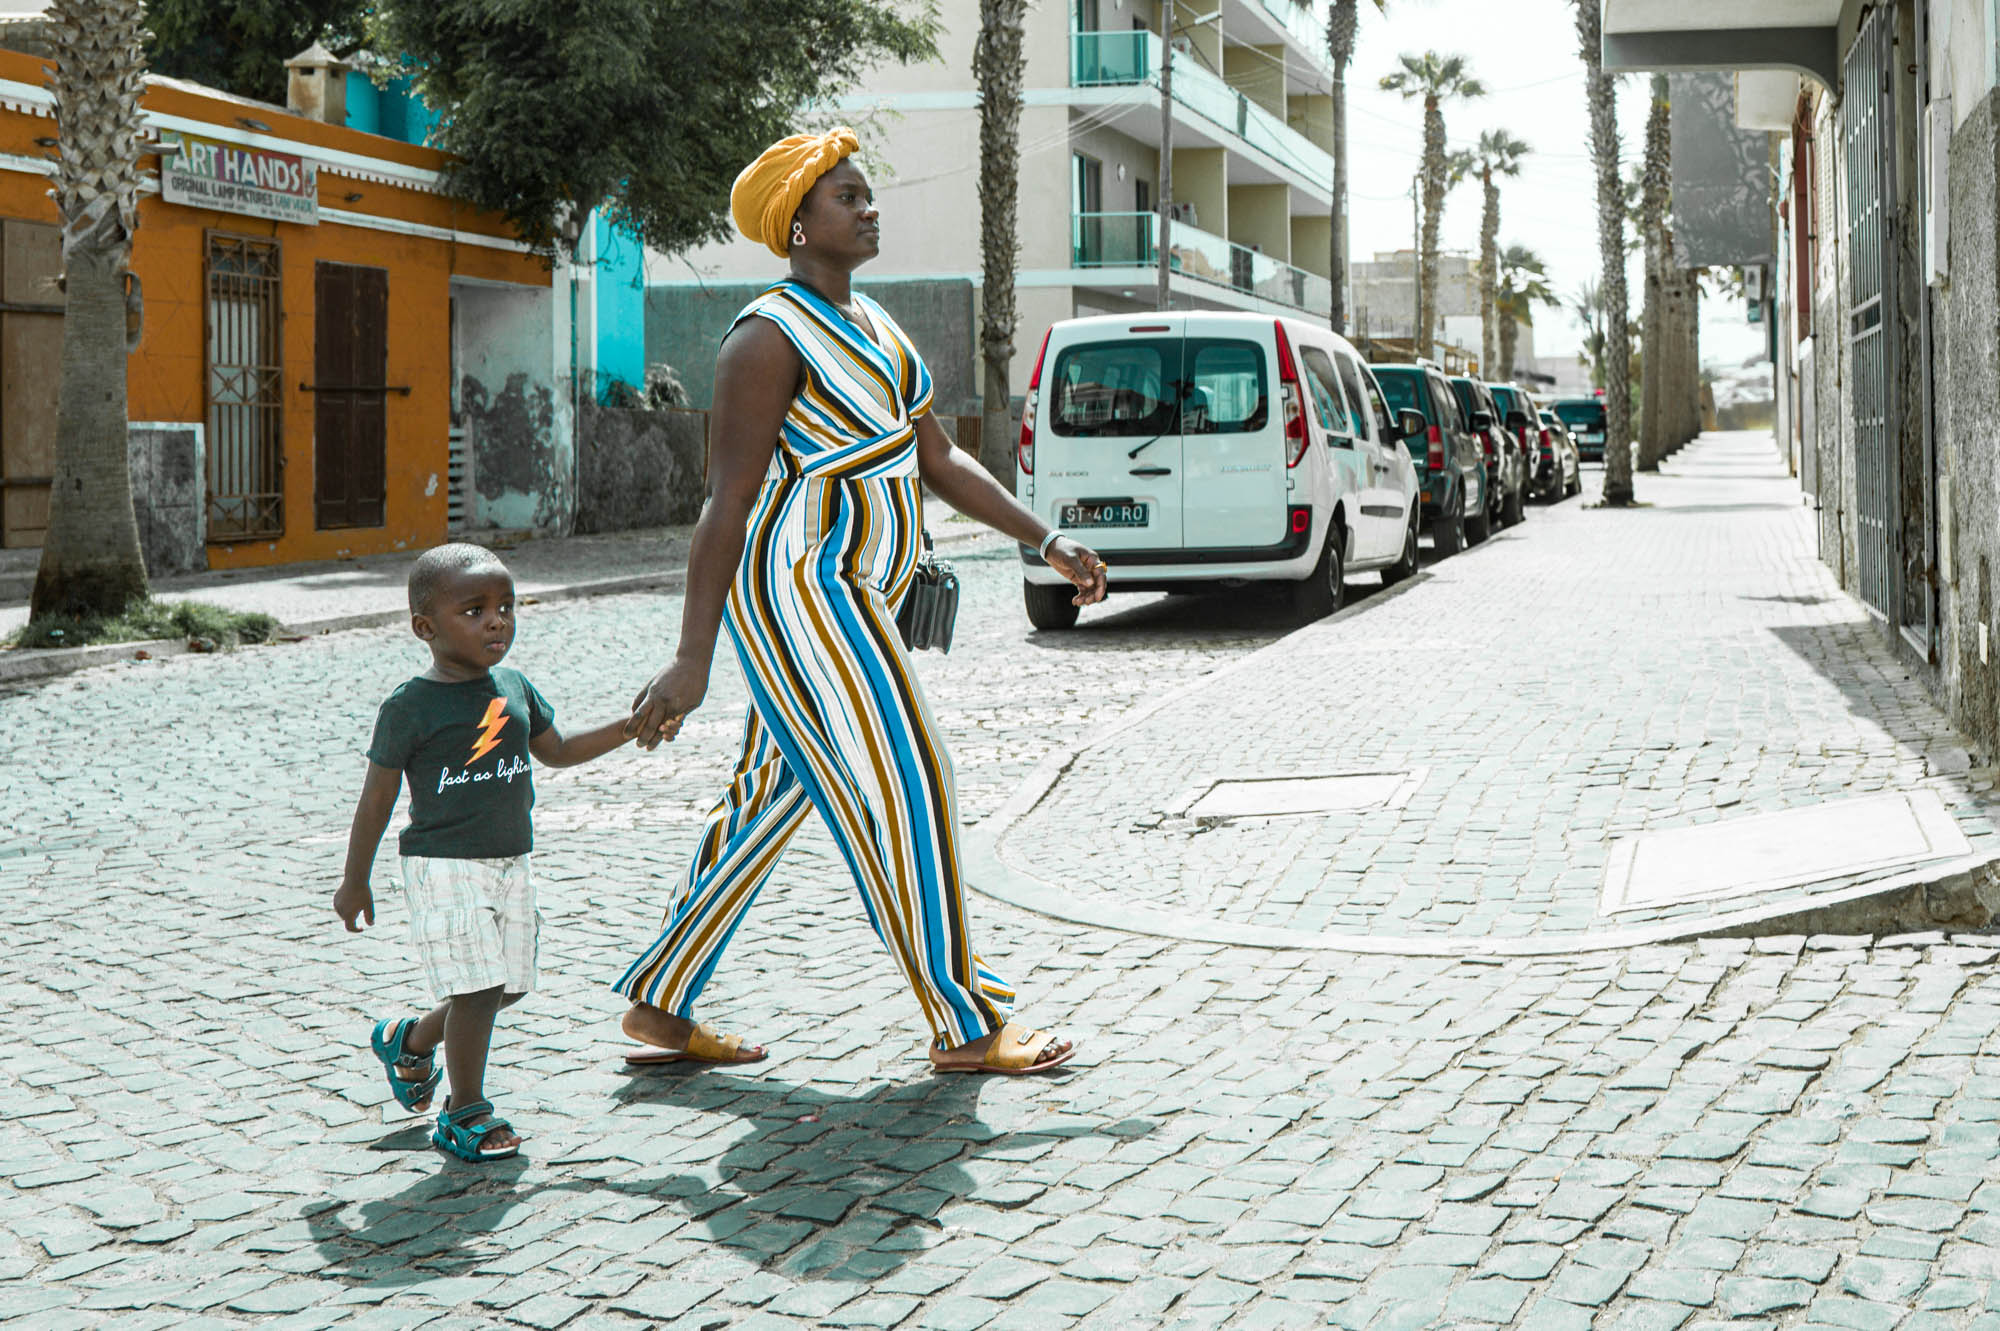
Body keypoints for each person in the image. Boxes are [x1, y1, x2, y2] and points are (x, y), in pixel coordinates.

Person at [615, 127, 1109, 1076]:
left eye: (869, 194)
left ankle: (662, 1000)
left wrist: (1042, 536)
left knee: (768, 796)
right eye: (848, 197)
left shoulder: (878, 327)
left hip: (859, 595)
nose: (870, 207)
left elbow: (938, 456)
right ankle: (966, 1022)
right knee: (909, 775)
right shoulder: (765, 337)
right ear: (798, 224)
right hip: (805, 592)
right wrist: (693, 654)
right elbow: (726, 503)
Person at [334, 543, 645, 1161]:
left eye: (506, 606)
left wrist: (630, 726)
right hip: (443, 866)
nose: (497, 621)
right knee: (477, 990)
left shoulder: (513, 686)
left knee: (506, 987)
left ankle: (411, 1041)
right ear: (426, 628)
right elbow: (375, 800)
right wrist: (355, 880)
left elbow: (557, 750)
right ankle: (464, 1111)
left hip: (511, 859)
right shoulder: (409, 707)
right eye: (474, 611)